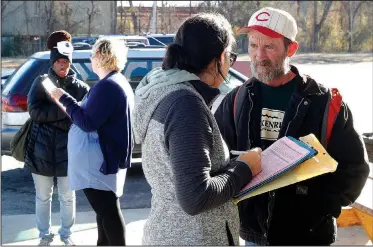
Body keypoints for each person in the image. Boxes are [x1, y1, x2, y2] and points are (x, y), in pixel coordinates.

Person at [214, 7, 370, 246]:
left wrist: (321, 208)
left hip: (309, 236)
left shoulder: (325, 102)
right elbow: (218, 162)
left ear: (292, 49)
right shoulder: (236, 100)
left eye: (269, 47)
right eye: (253, 45)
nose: (258, 56)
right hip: (254, 236)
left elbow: (355, 168)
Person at [132, 13, 262, 246]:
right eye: (230, 57)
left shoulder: (165, 91)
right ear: (220, 58)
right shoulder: (184, 104)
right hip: (193, 237)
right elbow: (196, 196)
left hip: (171, 233)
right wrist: (245, 168)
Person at [49, 38, 134, 246]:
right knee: (104, 214)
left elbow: (87, 122)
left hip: (97, 162)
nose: (90, 59)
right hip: (101, 159)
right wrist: (70, 104)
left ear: (100, 57)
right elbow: (91, 115)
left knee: (108, 212)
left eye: (92, 55)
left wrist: (64, 99)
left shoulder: (108, 86)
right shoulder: (114, 82)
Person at [25, 30, 90, 246]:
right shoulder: (41, 83)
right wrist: (66, 110)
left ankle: (66, 234)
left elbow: (85, 116)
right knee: (43, 197)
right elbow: (34, 112)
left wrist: (55, 113)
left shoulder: (80, 87)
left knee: (68, 197)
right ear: (52, 63)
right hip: (41, 150)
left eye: (66, 62)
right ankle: (44, 235)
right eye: (59, 61)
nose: (63, 65)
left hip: (69, 152)